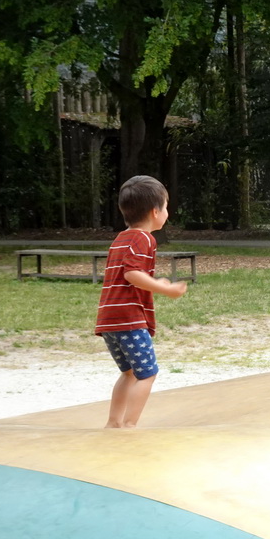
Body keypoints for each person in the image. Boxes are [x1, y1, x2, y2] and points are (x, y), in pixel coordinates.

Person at [95, 175, 187, 427]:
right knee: (147, 374)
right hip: (129, 319)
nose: (167, 212)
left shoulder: (121, 238)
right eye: (166, 207)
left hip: (109, 320)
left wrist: (157, 284)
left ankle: (113, 423)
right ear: (155, 211)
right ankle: (129, 425)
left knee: (128, 374)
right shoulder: (144, 238)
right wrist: (163, 288)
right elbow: (132, 274)